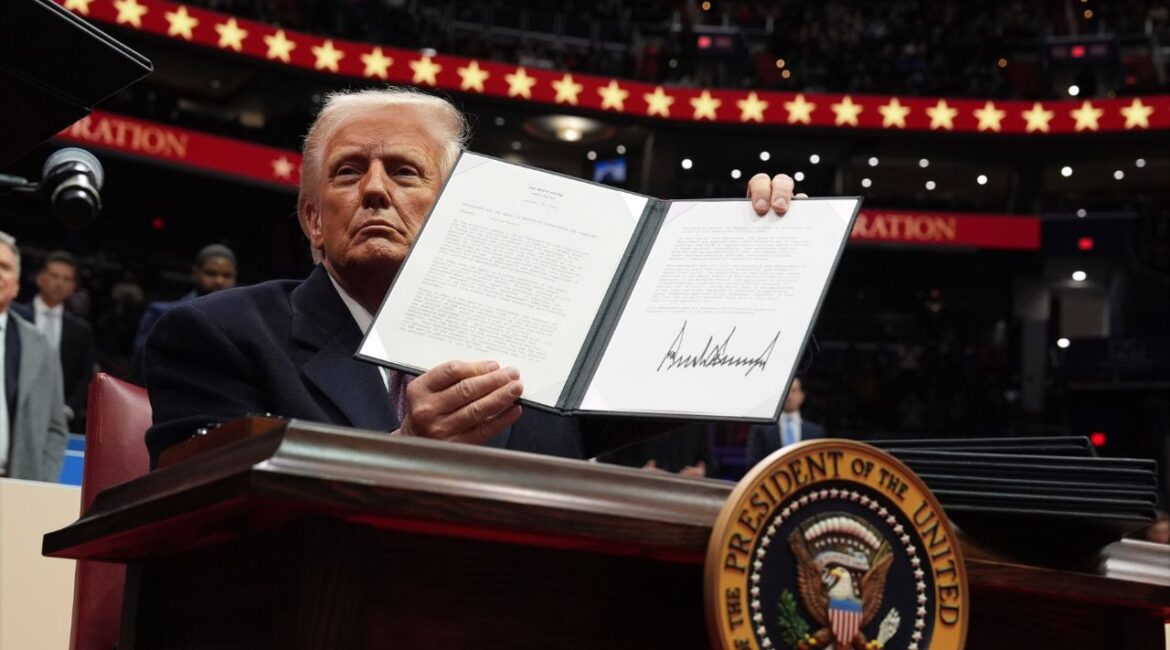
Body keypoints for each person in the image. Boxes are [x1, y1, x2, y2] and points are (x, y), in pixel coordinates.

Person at [144, 87, 802, 465]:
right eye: (348, 172)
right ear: (312, 219)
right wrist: (406, 451)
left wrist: (767, 251)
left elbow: (721, 369)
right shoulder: (215, 337)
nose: (375, 190)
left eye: (404, 171)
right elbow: (204, 533)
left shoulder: (555, 348)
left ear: (459, 211)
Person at [0, 232, 68, 481]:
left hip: (17, 488)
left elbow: (55, 427)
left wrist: (41, 483)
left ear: (16, 286)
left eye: (5, 267)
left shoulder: (39, 346)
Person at [12, 251, 98, 433]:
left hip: (59, 419)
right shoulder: (14, 315)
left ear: (73, 287)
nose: (59, 283)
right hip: (11, 409)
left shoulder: (81, 330)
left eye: (66, 279)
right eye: (54, 276)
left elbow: (85, 376)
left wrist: (69, 409)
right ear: (41, 278)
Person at [130, 244, 237, 382]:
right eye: (210, 273)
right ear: (195, 273)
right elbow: (142, 365)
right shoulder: (163, 313)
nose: (219, 281)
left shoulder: (243, 320)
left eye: (227, 275)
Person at [745, 377, 824, 469]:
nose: (788, 396)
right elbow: (754, 464)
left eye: (793, 391)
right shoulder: (761, 430)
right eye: (785, 390)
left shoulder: (815, 432)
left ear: (802, 396)